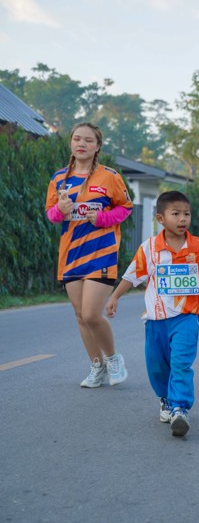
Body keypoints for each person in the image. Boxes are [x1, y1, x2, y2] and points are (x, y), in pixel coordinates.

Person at [106, 191, 199, 437]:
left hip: (187, 317)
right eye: (175, 214)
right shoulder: (150, 248)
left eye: (186, 214)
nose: (182, 219)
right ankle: (165, 398)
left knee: (181, 364)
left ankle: (180, 408)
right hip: (156, 321)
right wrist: (115, 296)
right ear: (160, 218)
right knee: (156, 366)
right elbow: (133, 275)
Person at [46, 122, 132, 387]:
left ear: (97, 147)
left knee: (92, 314)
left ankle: (114, 358)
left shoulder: (109, 176)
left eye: (88, 140)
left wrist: (104, 218)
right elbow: (51, 214)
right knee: (80, 316)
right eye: (77, 139)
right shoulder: (59, 178)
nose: (81, 144)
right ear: (71, 143)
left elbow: (125, 208)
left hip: (101, 254)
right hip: (71, 255)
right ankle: (97, 366)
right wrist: (60, 209)